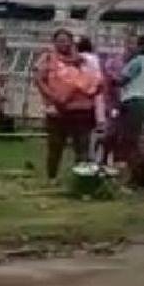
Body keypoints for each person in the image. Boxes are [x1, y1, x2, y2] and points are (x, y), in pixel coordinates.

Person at [34, 28, 101, 179]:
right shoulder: (48, 59)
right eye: (59, 41)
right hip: (58, 110)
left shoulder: (84, 60)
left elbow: (94, 82)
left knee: (81, 146)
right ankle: (52, 178)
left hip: (81, 110)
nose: (62, 44)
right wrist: (52, 96)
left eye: (65, 41)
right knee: (55, 146)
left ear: (71, 42)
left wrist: (77, 90)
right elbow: (39, 79)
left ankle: (81, 179)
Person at [111, 33, 144, 172]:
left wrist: (110, 78)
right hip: (141, 102)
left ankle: (141, 170)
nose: (129, 48)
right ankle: (141, 169)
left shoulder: (138, 60)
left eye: (133, 44)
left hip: (134, 102)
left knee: (129, 140)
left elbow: (122, 80)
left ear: (141, 47)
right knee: (133, 138)